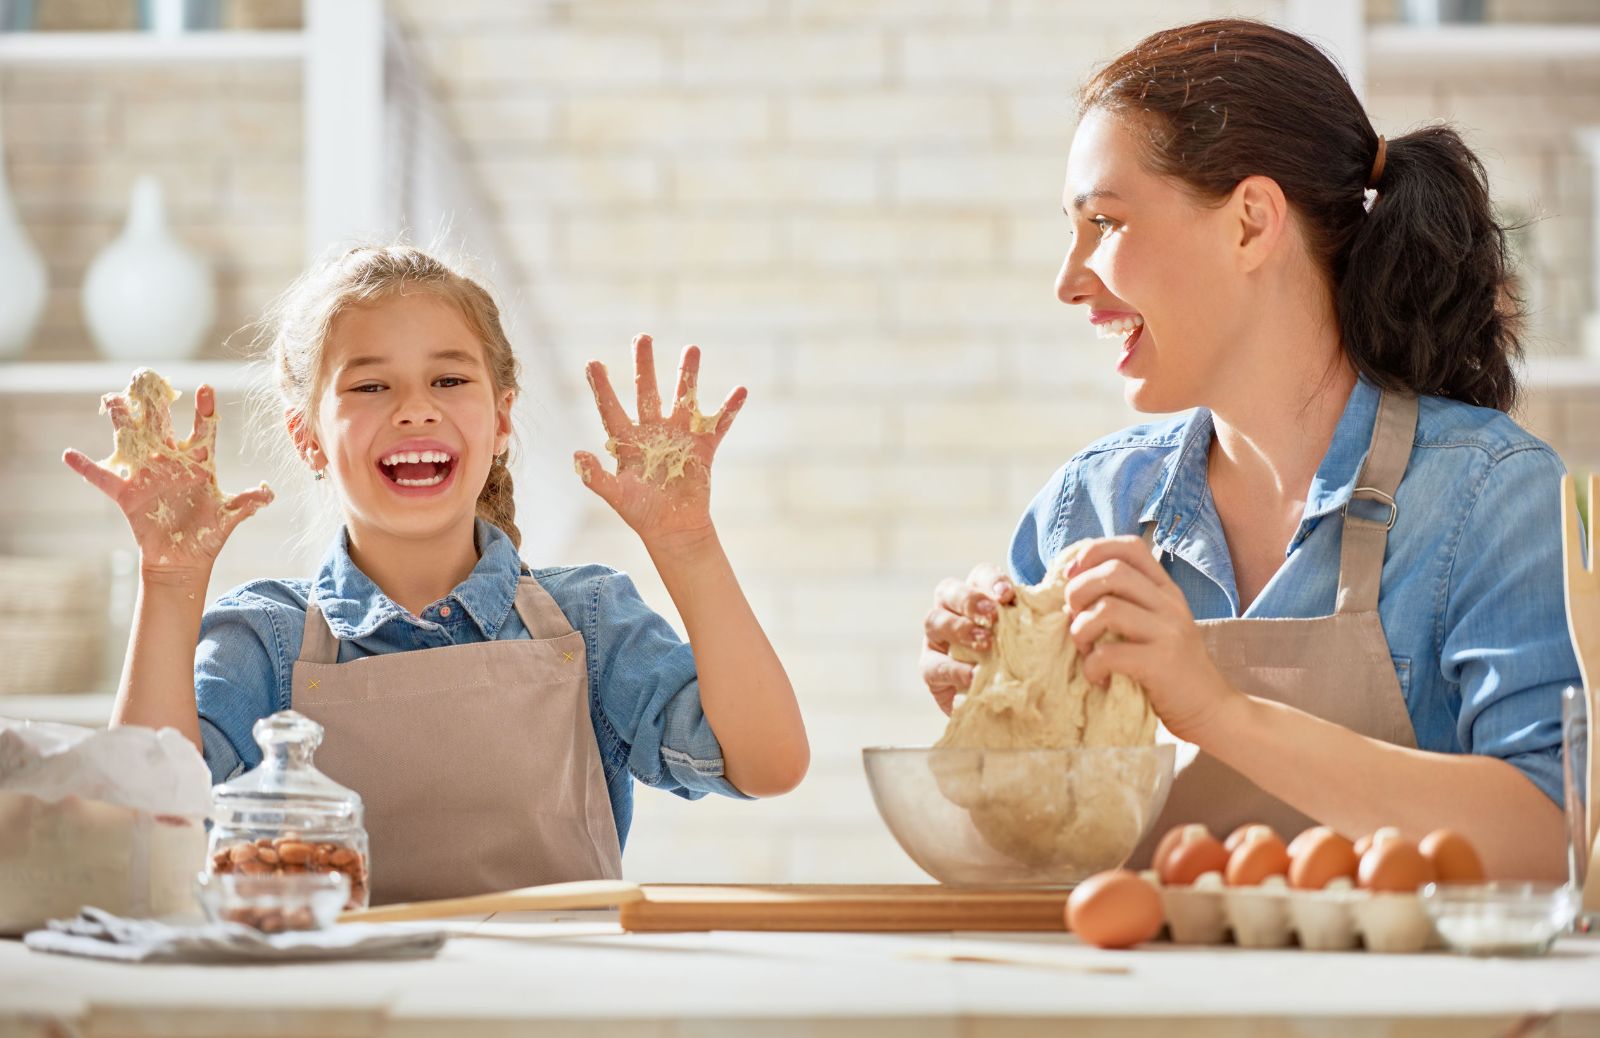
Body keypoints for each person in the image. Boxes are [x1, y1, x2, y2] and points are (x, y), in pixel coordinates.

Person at [919, 19, 1576, 879]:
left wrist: (1216, 711)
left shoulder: (1493, 499)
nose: (1068, 279)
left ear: (1251, 223)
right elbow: (1031, 866)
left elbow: (1556, 838)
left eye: (1105, 223)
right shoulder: (1093, 505)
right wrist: (997, 717)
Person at [64, 244, 809, 904]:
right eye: (370, 387)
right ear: (307, 437)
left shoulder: (589, 621)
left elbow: (768, 764)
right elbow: (144, 826)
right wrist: (169, 583)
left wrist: (689, 545)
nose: (415, 410)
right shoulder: (265, 641)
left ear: (502, 418)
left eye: (449, 381)